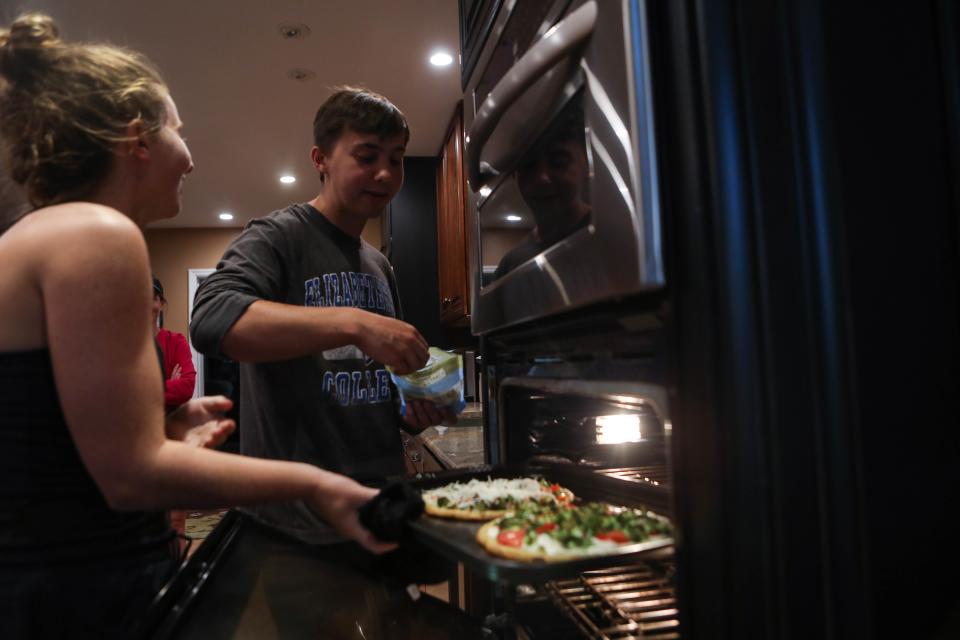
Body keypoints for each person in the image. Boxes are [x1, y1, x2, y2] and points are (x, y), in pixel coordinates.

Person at [0, 14, 394, 639]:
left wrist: (160, 430)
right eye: (179, 131)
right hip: (75, 592)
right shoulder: (97, 235)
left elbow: (59, 449)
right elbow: (131, 477)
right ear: (137, 139)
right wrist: (317, 485)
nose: (190, 156)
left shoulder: (46, 232)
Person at [190, 86, 455, 544]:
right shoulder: (278, 237)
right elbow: (211, 317)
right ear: (321, 159)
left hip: (377, 507)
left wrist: (413, 412)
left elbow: (369, 391)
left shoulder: (379, 265)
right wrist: (353, 322)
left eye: (397, 158)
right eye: (367, 156)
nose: (385, 173)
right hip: (297, 524)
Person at [493, 98, 592, 280]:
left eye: (558, 161)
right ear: (515, 174)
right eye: (528, 165)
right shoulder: (511, 266)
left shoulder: (614, 235)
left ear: (587, 162)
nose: (541, 178)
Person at [151, 275, 197, 413]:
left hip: (169, 427)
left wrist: (141, 393)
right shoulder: (123, 346)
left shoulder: (176, 342)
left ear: (161, 304)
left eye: (152, 298)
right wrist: (169, 386)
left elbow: (187, 387)